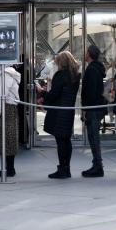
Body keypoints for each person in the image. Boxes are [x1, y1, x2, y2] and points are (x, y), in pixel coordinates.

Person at [37, 51, 80, 179]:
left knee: (60, 140)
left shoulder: (60, 75)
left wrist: (42, 93)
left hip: (59, 110)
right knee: (66, 140)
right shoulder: (75, 75)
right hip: (69, 110)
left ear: (61, 62)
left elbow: (54, 94)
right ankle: (67, 168)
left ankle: (62, 169)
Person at [0, 65, 21, 177]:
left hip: (6, 107)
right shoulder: (4, 72)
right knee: (7, 138)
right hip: (7, 107)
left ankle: (9, 169)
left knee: (7, 138)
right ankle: (8, 168)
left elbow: (2, 94)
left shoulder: (5, 74)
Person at [81, 45, 107, 177]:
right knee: (93, 137)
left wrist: (86, 108)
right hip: (96, 107)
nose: (84, 54)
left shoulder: (91, 69)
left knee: (93, 137)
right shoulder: (96, 68)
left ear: (89, 54)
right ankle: (97, 164)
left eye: (86, 52)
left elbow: (90, 92)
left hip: (93, 108)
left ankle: (98, 166)